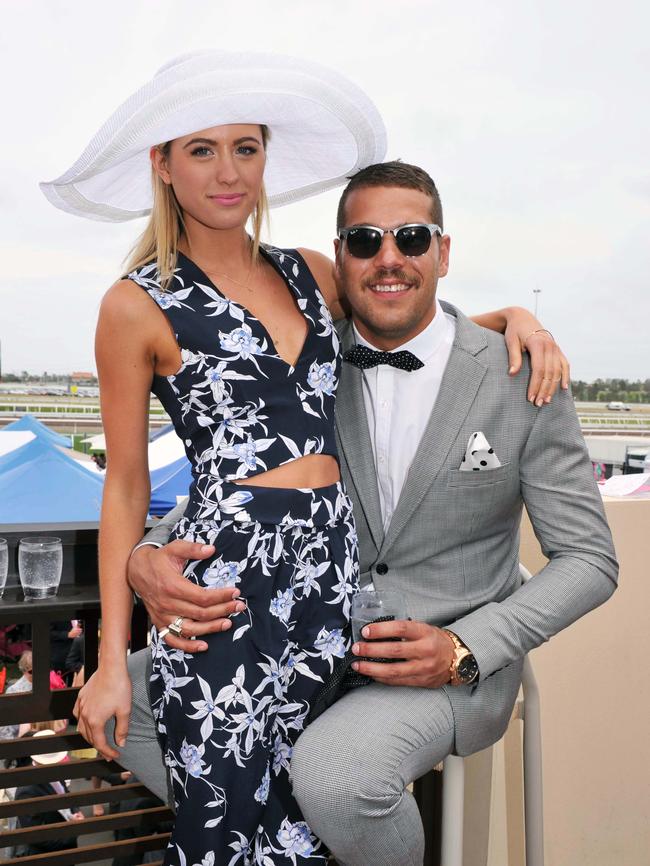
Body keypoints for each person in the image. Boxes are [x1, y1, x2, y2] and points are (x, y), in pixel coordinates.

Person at [42, 51, 567, 865]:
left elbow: (409, 325)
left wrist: (514, 321)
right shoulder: (136, 303)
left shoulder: (310, 274)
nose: (227, 173)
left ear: (265, 159)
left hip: (329, 592)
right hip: (225, 591)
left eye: (245, 149)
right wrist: (112, 660)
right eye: (201, 150)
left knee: (300, 822)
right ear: (163, 165)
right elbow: (123, 486)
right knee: (225, 826)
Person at [122, 161, 616, 866]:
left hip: (444, 664)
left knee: (336, 778)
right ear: (340, 261)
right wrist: (148, 553)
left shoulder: (520, 379)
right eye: (364, 241)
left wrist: (467, 648)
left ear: (443, 252)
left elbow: (591, 560)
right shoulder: (316, 360)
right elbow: (253, 474)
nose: (389, 259)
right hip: (306, 646)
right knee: (126, 702)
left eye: (412, 238)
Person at [14, 730, 84, 858]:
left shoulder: (54, 772)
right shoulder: (26, 791)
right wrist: (73, 832)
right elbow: (36, 837)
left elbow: (65, 793)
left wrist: (75, 811)